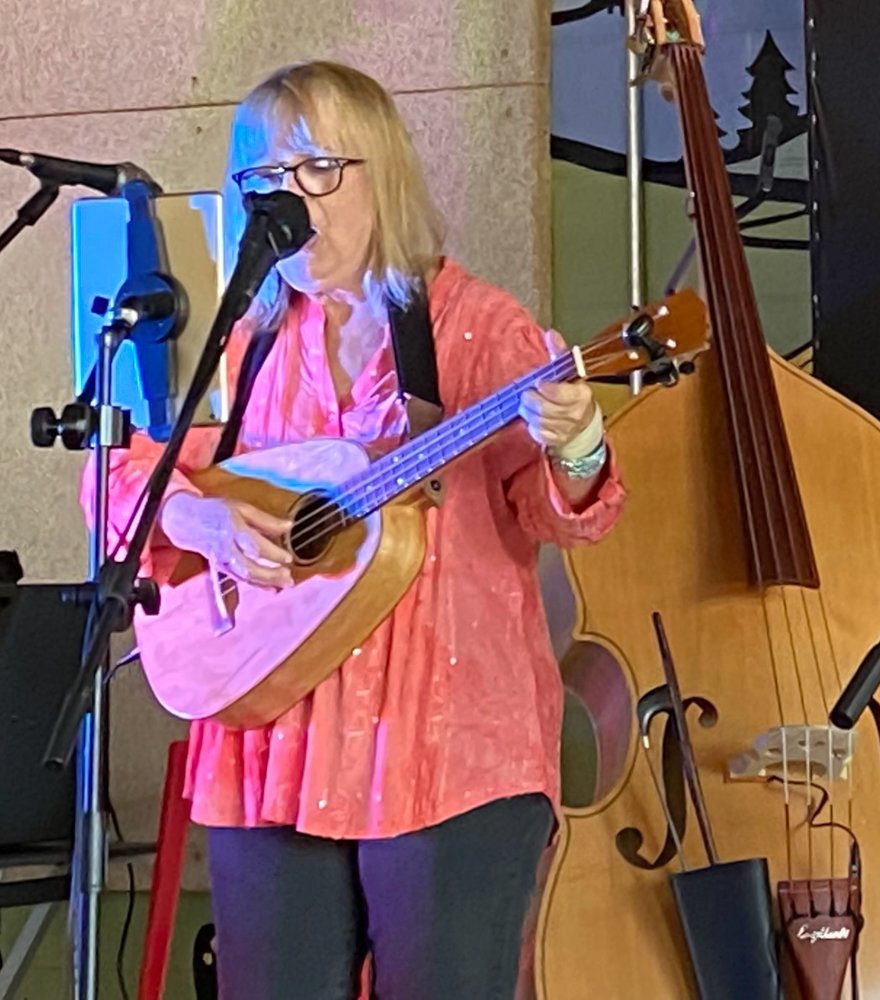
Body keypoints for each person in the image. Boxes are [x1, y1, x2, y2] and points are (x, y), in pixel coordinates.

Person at [86, 61, 625, 999]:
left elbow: (561, 514)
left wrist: (576, 444)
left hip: (448, 751)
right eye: (265, 178)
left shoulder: (475, 329)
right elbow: (116, 471)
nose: (291, 200)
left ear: (384, 174)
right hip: (269, 743)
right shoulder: (236, 342)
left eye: (319, 169)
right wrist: (198, 516)